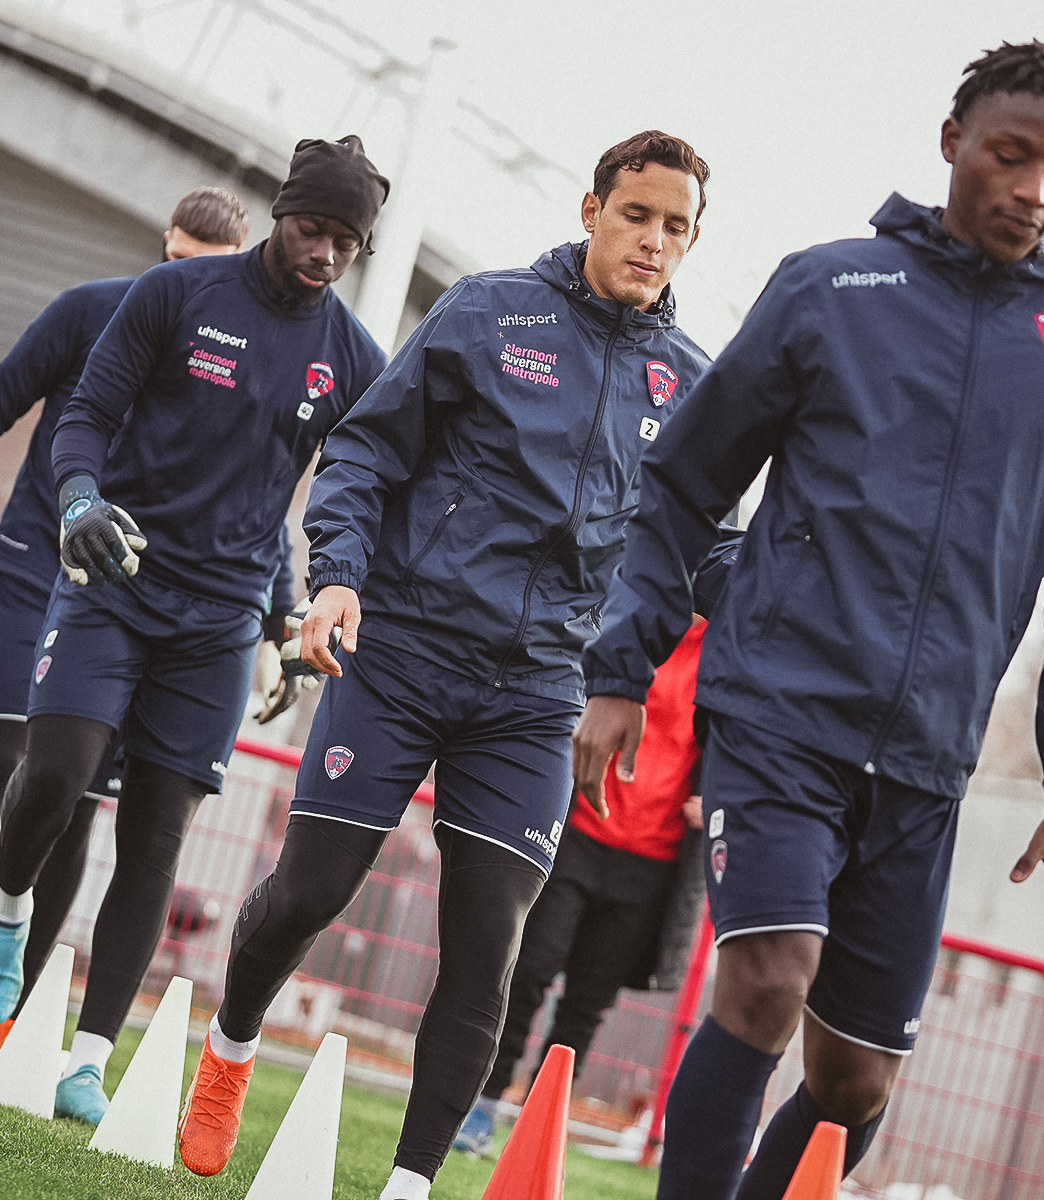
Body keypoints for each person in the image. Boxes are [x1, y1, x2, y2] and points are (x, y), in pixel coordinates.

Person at [572, 43, 1044, 1200]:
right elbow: (683, 486)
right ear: (953, 144)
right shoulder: (830, 290)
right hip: (779, 715)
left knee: (855, 1086)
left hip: (927, 762)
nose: (1032, 191)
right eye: (1008, 156)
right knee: (766, 982)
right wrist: (618, 672)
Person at [176, 131, 714, 1200]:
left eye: (675, 227)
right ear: (591, 208)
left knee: (488, 944)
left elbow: (708, 545)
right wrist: (335, 576)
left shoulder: (689, 383)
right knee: (308, 893)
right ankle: (230, 1052)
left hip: (535, 695)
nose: (652, 241)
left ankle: (410, 1187)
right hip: (403, 651)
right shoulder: (490, 312)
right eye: (636, 215)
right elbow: (368, 450)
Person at [0, 135, 390, 1123]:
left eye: (347, 242)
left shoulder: (351, 359)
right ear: (279, 214)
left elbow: (361, 488)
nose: (325, 253)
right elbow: (81, 418)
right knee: (56, 776)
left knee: (157, 838)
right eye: (312, 228)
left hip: (219, 624)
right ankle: (10, 910)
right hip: (114, 577)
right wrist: (76, 505)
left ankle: (89, 1059)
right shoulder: (173, 297)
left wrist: (301, 611)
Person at [0, 186, 251, 1055]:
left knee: (77, 797)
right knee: (7, 756)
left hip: (125, 590)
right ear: (164, 249)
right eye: (177, 266)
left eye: (209, 274)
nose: (187, 287)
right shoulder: (88, 312)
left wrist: (269, 615)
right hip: (39, 566)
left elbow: (252, 497)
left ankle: (7, 1007)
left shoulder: (241, 356)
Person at [455, 616, 709, 1156]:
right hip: (579, 833)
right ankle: (485, 1101)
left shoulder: (730, 651)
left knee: (587, 1004)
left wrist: (721, 797)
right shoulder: (638, 619)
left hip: (653, 861)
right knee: (528, 970)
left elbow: (741, 744)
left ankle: (537, 1126)